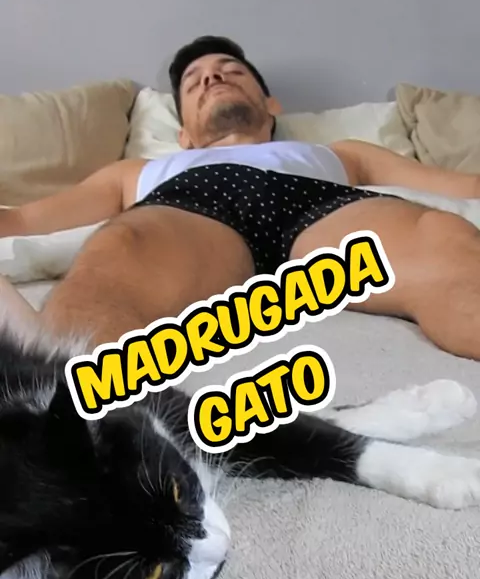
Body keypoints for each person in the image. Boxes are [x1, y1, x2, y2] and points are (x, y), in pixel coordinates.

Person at [1, 35, 479, 359]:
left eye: (230, 71)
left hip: (320, 208)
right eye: (195, 82)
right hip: (189, 214)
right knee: (115, 257)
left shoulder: (343, 152)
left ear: (271, 105)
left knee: (444, 235)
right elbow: (21, 221)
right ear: (184, 134)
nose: (213, 78)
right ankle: (81, 448)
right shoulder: (136, 172)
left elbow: (462, 189)